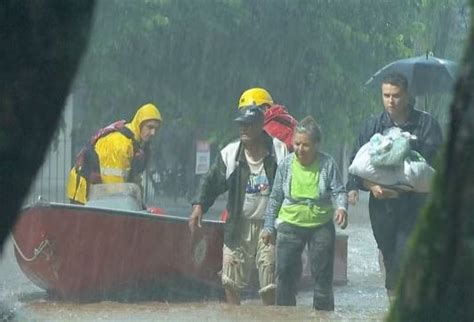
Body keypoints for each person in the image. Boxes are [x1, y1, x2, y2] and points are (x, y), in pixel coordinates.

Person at [346, 72, 443, 302]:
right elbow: (355, 168)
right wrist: (371, 187)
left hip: (415, 205)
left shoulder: (427, 125)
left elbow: (436, 165)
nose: (391, 101)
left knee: (406, 255)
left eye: (396, 96)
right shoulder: (373, 126)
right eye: (386, 95)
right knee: (390, 258)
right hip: (382, 207)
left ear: (407, 96)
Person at [188, 106, 287, 305]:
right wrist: (199, 205)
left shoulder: (278, 150)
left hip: (269, 226)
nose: (243, 129)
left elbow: (288, 186)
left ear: (261, 126)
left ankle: (271, 316)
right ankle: (235, 315)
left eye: (249, 125)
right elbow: (211, 181)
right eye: (241, 125)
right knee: (230, 279)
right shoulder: (230, 153)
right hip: (238, 224)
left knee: (269, 280)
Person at [260, 116, 347, 311]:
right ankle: (285, 315)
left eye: (306, 145)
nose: (300, 149)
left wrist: (342, 208)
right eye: (297, 143)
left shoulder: (328, 164)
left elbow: (339, 192)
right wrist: (268, 226)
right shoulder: (286, 164)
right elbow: (275, 198)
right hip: (289, 225)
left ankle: (323, 316)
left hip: (320, 225)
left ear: (317, 144)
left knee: (323, 278)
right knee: (285, 276)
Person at [66, 103, 162, 204]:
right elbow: (114, 189)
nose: (153, 133)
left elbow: (131, 178)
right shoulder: (120, 144)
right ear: (139, 123)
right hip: (83, 192)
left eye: (156, 129)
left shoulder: (135, 143)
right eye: (150, 127)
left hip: (97, 190)